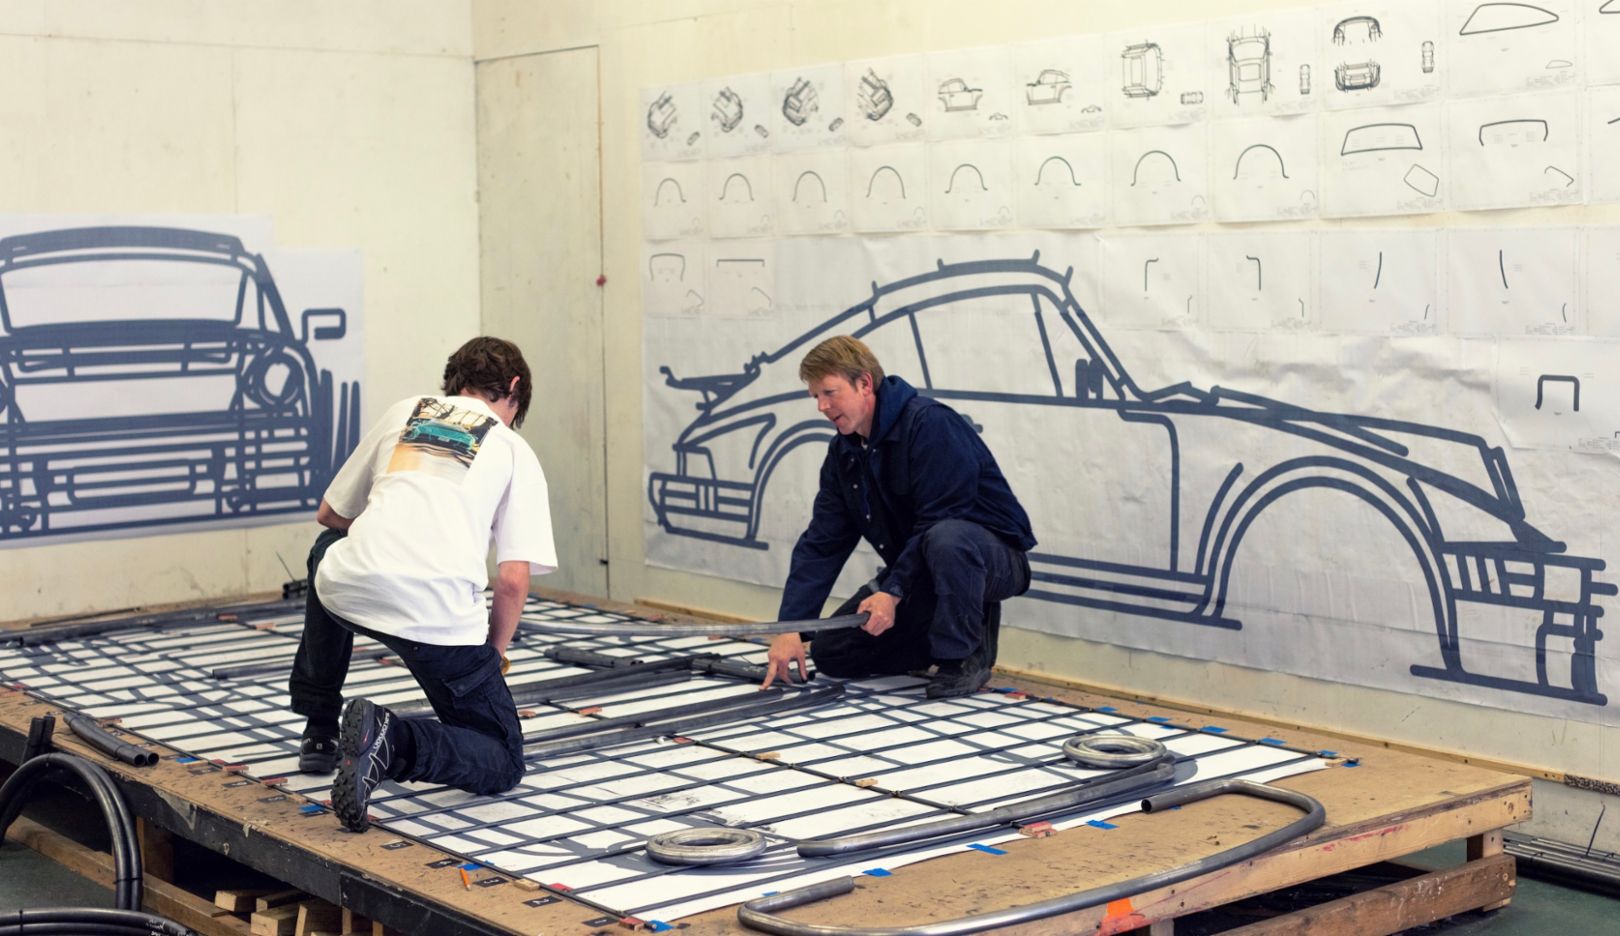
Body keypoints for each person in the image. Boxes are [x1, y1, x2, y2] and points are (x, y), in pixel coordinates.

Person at [287, 337, 556, 832]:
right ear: (514, 388)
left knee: (326, 551)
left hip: (352, 588)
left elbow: (331, 514)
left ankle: (319, 727)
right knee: (502, 759)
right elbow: (513, 581)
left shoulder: (406, 412)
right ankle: (392, 739)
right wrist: (492, 656)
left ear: (456, 381)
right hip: (439, 620)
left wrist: (385, 536)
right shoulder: (513, 449)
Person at [763, 336, 1035, 698]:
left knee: (948, 538)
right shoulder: (843, 454)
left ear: (864, 383)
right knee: (834, 654)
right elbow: (822, 542)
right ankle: (933, 643)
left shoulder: (930, 425)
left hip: (988, 559)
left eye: (829, 392)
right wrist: (792, 627)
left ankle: (965, 656)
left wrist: (892, 591)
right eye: (815, 397)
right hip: (919, 565)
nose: (822, 406)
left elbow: (940, 519)